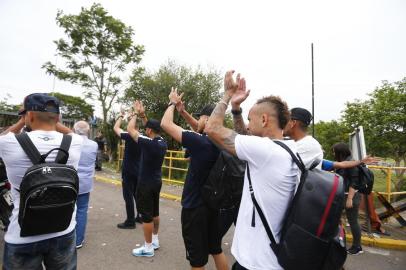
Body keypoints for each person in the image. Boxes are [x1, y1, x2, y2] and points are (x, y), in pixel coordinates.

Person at [205, 71, 299, 270]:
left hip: (256, 264)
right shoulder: (288, 148)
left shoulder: (265, 151)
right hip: (271, 260)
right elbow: (245, 139)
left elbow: (212, 128)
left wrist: (227, 95)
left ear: (264, 119)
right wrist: (236, 109)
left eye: (250, 119)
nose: (247, 125)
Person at [0, 93, 83, 269]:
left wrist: (22, 122)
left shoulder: (9, 143)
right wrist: (53, 119)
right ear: (58, 117)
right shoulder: (75, 142)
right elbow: (71, 132)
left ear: (28, 115)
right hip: (64, 230)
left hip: (22, 236)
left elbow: (5, 134)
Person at [161, 88, 229, 270]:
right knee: (216, 249)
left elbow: (166, 124)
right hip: (213, 205)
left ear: (207, 119)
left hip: (195, 208)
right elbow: (198, 129)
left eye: (201, 117)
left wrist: (172, 104)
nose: (197, 120)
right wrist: (183, 112)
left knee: (197, 260)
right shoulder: (221, 141)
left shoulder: (200, 142)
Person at [127, 100, 167, 258]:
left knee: (146, 216)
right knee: (155, 212)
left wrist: (135, 114)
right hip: (156, 181)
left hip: (145, 184)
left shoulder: (147, 143)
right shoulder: (161, 142)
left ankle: (148, 247)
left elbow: (130, 129)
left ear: (149, 130)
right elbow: (150, 127)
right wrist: (143, 116)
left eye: (146, 128)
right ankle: (155, 240)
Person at [113, 108, 144, 229]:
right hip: (139, 170)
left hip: (128, 171)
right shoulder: (143, 137)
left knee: (128, 196)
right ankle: (140, 216)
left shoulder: (129, 136)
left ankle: (130, 221)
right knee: (137, 195)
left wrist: (121, 116)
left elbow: (116, 128)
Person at [332, 142, 364, 255]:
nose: (333, 153)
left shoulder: (351, 163)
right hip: (343, 196)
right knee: (335, 217)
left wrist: (350, 198)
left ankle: (357, 246)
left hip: (350, 196)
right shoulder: (346, 161)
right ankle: (336, 240)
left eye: (334, 152)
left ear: (340, 152)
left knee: (353, 221)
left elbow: (354, 183)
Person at [73, 121, 98, 249]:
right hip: (85, 183)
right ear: (88, 130)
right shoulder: (94, 144)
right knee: (82, 211)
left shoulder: (70, 142)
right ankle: (78, 240)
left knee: (68, 210)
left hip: (70, 181)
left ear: (74, 129)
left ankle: (67, 239)